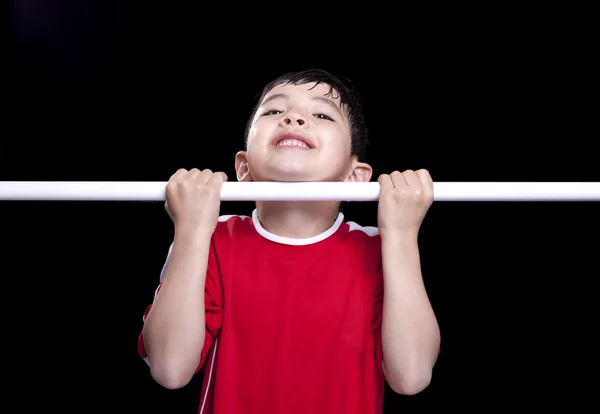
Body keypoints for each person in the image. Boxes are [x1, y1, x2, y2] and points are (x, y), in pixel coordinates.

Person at [138, 68, 440, 413]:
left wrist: (400, 236)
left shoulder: (380, 251)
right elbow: (169, 368)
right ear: (243, 169)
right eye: (274, 111)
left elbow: (412, 376)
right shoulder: (210, 238)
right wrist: (190, 229)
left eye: (322, 114)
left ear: (355, 178)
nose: (293, 118)